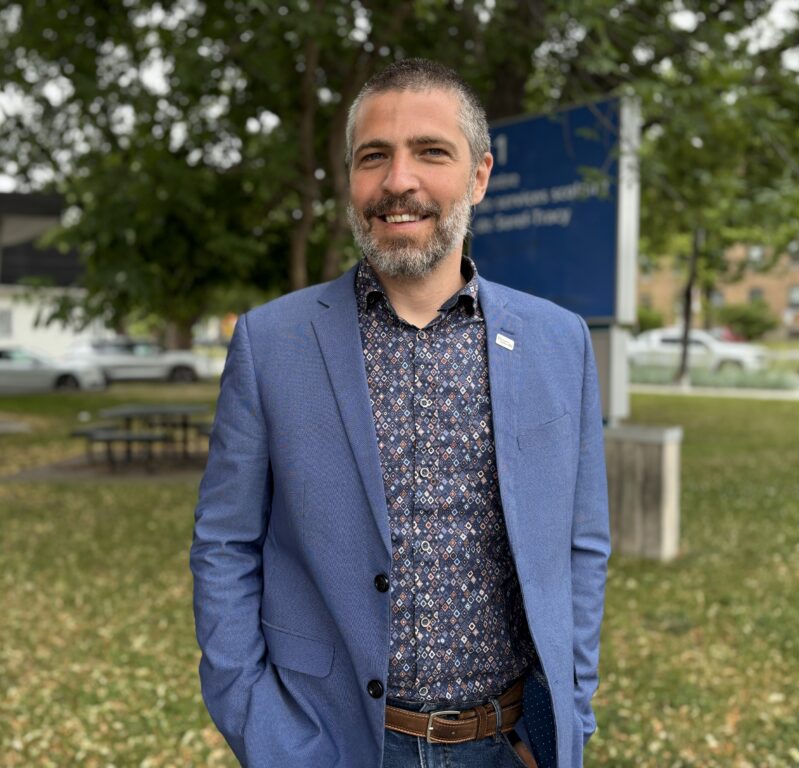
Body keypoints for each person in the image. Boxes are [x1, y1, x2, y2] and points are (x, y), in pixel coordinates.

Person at [190, 58, 609, 768]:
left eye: (431, 152)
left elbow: (581, 544)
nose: (398, 181)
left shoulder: (558, 341)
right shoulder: (272, 342)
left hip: (509, 746)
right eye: (373, 156)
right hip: (332, 742)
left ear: (479, 176)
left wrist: (569, 712)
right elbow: (224, 544)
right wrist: (263, 730)